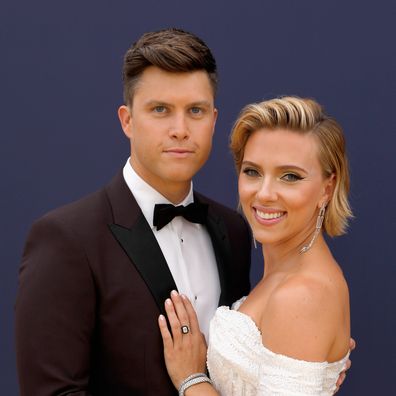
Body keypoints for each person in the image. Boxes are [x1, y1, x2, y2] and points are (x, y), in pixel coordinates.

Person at [15, 28, 252, 395]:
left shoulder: (234, 230)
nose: (180, 129)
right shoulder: (66, 239)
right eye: (160, 110)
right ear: (127, 120)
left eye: (195, 111)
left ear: (214, 120)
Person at [158, 96, 353, 395]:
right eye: (252, 171)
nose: (264, 194)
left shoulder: (303, 295)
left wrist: (191, 378)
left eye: (290, 176)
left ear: (327, 187)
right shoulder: (285, 273)